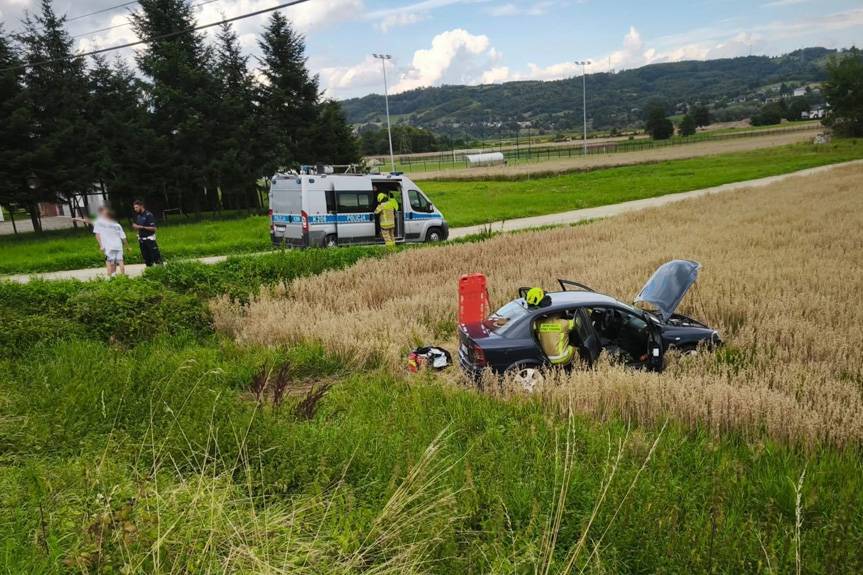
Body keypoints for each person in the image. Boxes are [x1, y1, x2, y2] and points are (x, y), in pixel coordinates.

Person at [527, 287, 578, 366]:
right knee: (575, 347)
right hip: (562, 358)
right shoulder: (564, 323)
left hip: (547, 358)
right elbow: (578, 323)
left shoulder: (539, 323)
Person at [92, 206, 128, 277]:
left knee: (109, 263)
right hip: (118, 246)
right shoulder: (117, 225)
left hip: (109, 247)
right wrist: (127, 246)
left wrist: (101, 245)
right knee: (120, 262)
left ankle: (110, 278)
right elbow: (123, 237)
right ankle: (122, 277)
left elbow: (97, 234)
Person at [132, 199, 163, 266]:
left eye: (136, 207)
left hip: (150, 240)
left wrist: (141, 227)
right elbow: (138, 227)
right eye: (134, 208)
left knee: (156, 257)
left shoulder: (149, 215)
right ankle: (150, 272)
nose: (135, 209)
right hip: (142, 240)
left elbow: (154, 228)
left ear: (141, 206)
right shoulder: (138, 216)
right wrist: (137, 231)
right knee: (147, 259)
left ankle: (161, 271)